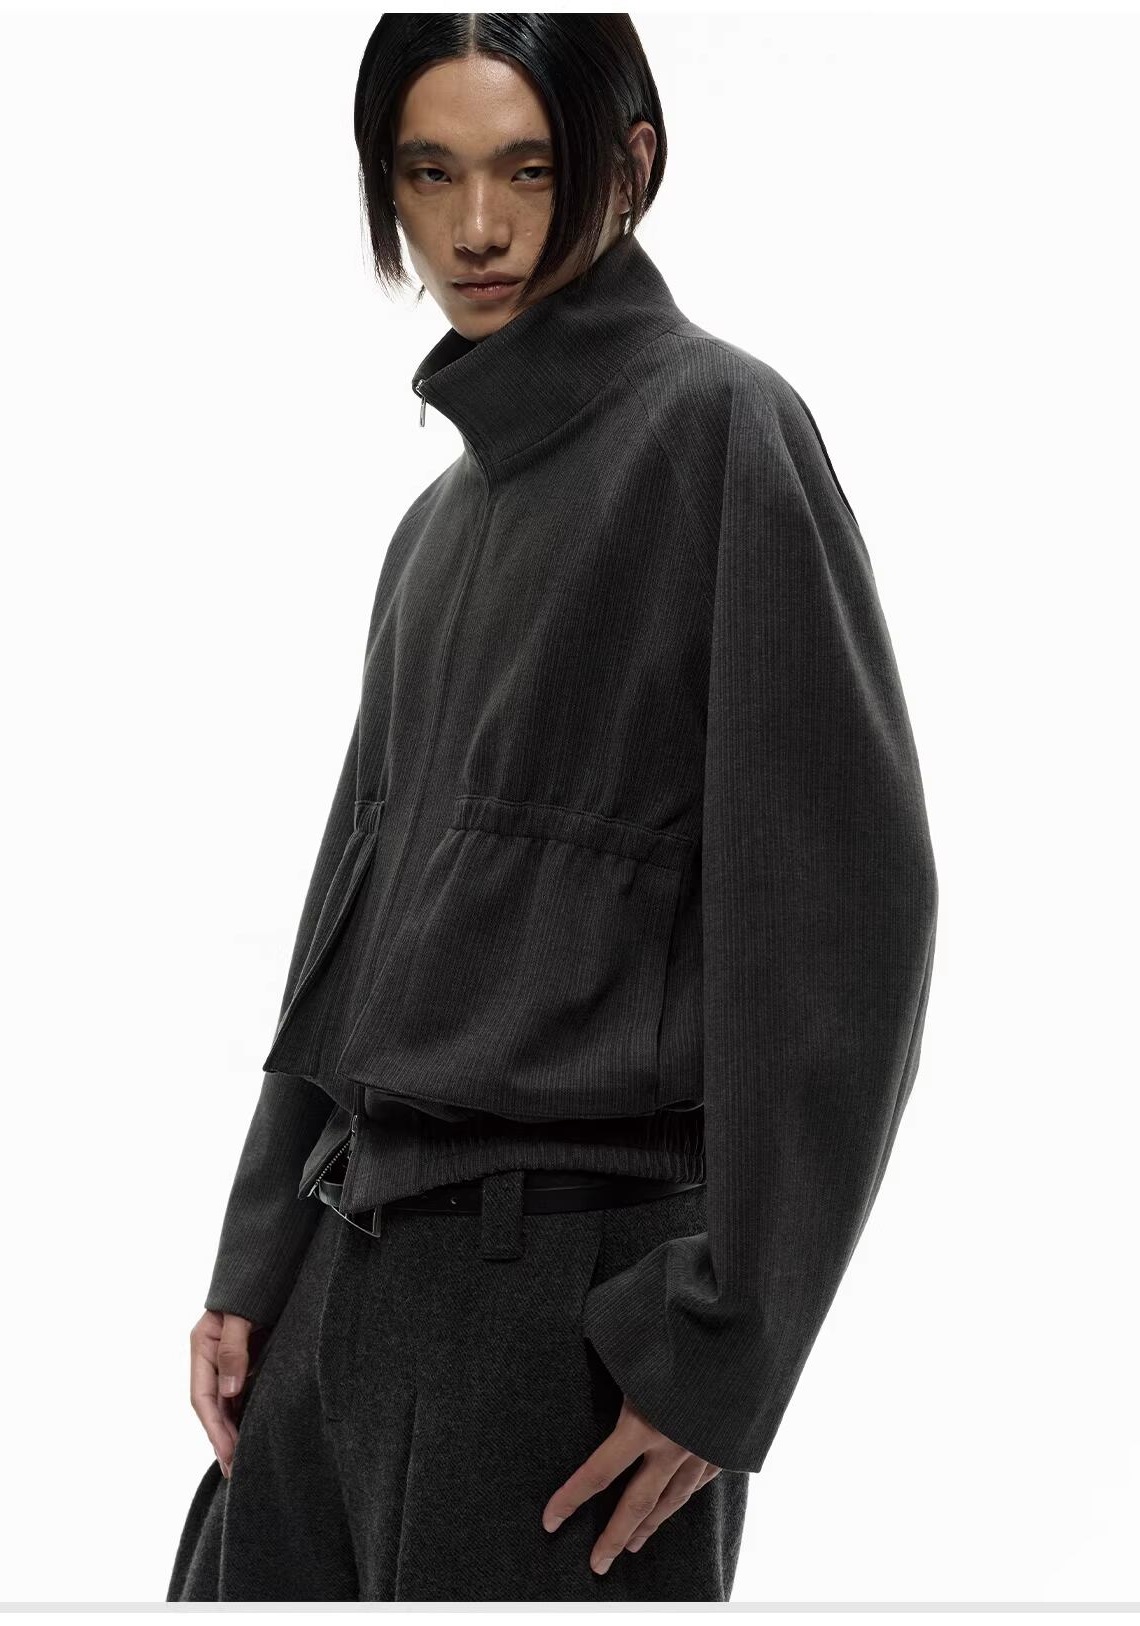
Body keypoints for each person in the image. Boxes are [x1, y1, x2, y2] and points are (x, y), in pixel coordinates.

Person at [167, 13, 938, 1605]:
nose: (476, 228)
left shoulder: (723, 431)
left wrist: (728, 1345)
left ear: (628, 164)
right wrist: (256, 1253)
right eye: (427, 173)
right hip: (337, 1282)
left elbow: (846, 912)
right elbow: (350, 912)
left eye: (527, 169)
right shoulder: (435, 528)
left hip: (552, 1315)